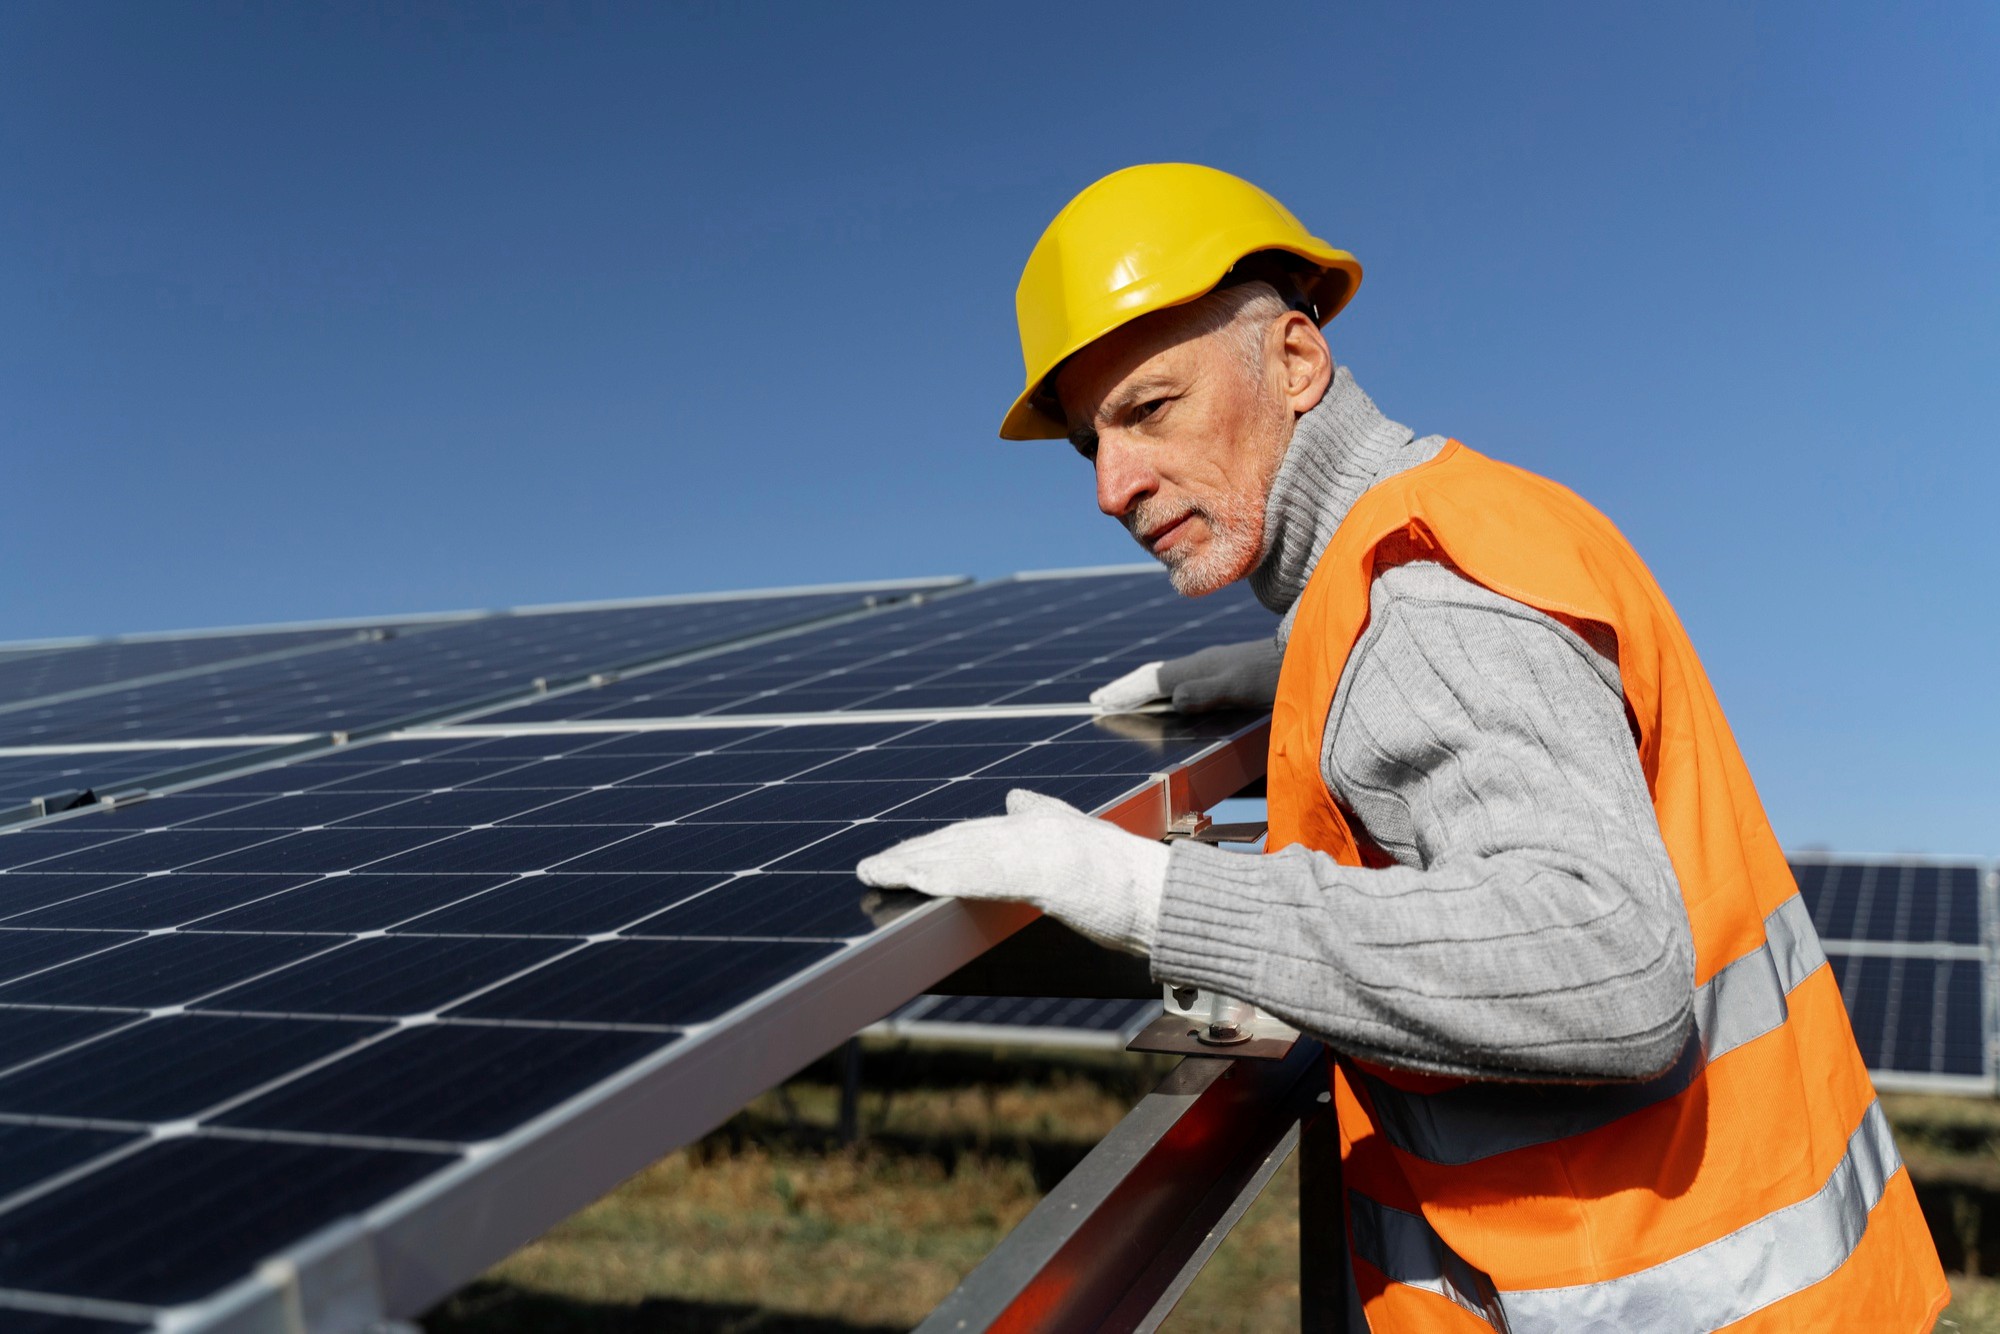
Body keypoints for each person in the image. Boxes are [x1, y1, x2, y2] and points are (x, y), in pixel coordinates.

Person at [856, 163, 1946, 1331]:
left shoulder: (1421, 608)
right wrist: (1305, 676)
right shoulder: (1461, 525)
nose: (1112, 486)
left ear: (1293, 360)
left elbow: (1611, 970)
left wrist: (1152, 893)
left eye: (1150, 409)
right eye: (1086, 444)